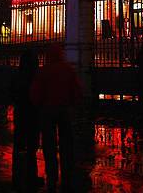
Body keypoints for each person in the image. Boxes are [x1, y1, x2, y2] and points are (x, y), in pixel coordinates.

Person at [30, 44, 81, 193]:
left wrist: (38, 105)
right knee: (66, 140)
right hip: (64, 109)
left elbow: (35, 92)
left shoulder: (44, 71)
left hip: (47, 110)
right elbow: (77, 90)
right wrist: (73, 103)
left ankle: (51, 171)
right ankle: (67, 169)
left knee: (48, 141)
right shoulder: (68, 69)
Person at [11, 49, 40, 192]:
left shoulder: (18, 75)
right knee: (32, 143)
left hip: (21, 111)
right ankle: (31, 175)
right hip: (33, 112)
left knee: (20, 141)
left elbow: (11, 92)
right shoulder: (37, 76)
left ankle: (17, 176)